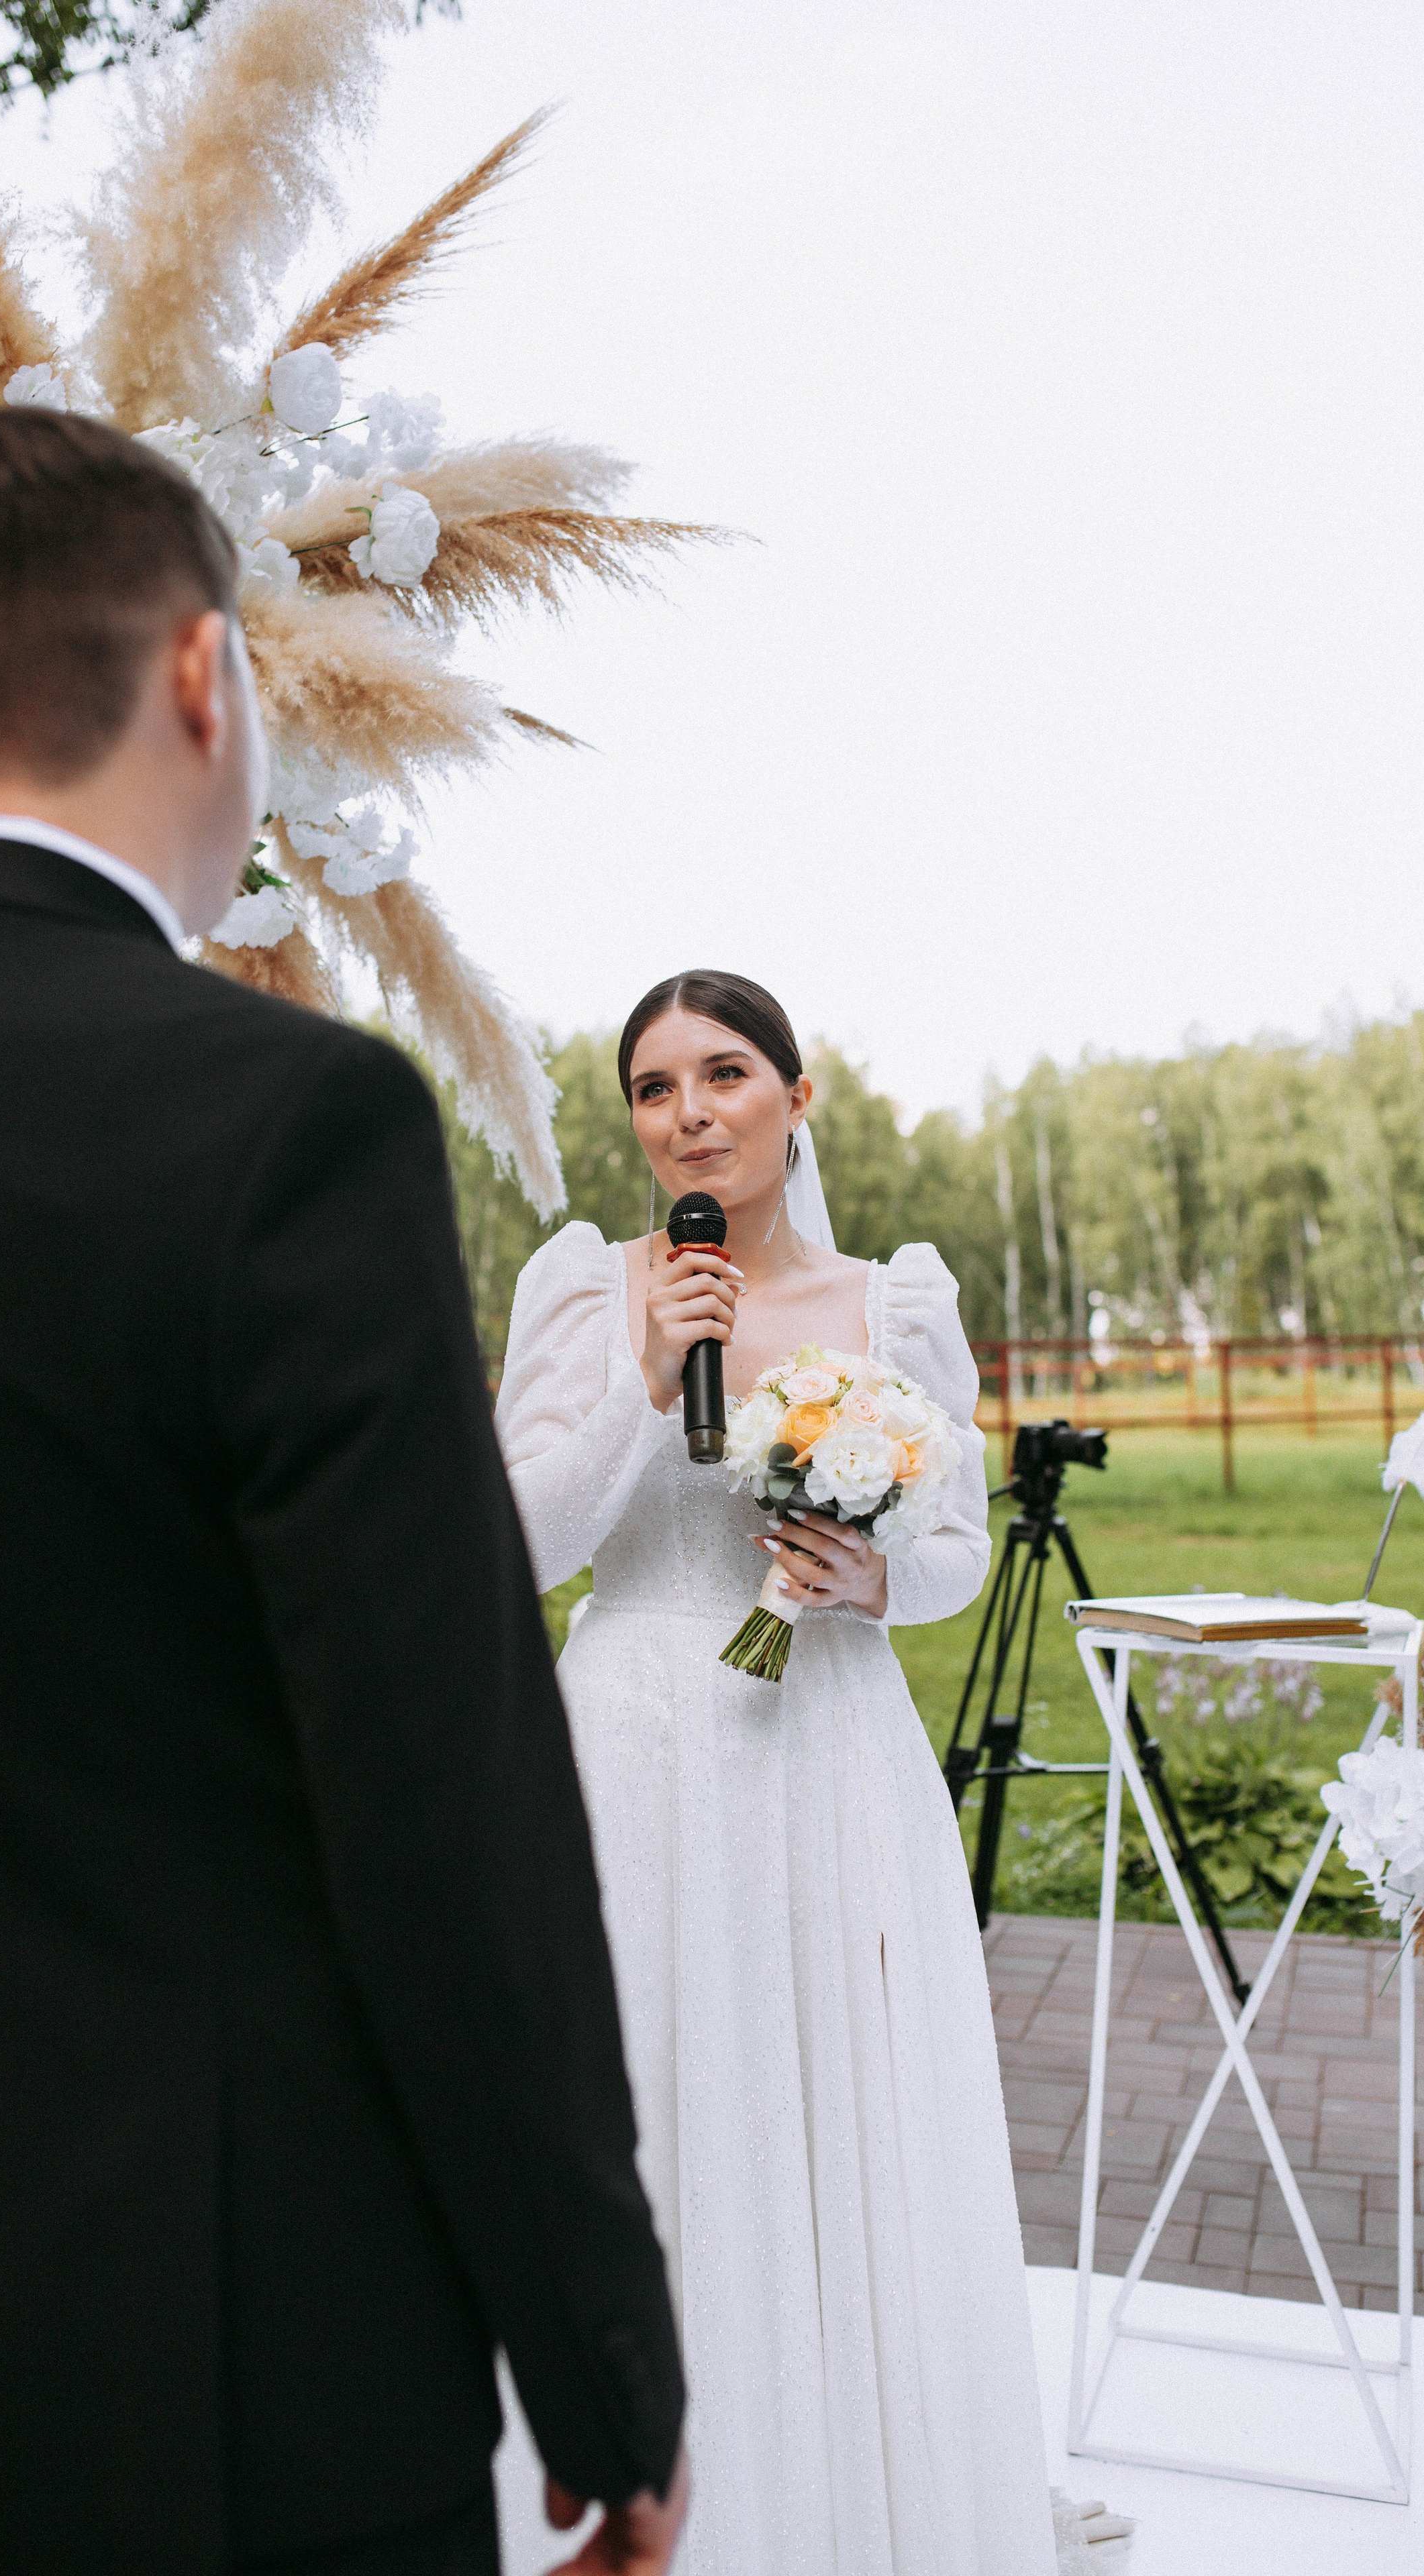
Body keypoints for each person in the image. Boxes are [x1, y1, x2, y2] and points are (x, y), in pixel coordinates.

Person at [0, 407, 686, 2576]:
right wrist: (599, 2365)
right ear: (208, 679)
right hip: (213, 2379)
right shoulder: (288, 1128)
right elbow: (440, 1800)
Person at [492, 972, 1078, 2576]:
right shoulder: (590, 1287)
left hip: (826, 1750)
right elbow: (518, 1543)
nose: (687, 1112)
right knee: (645, 2106)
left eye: (724, 1073)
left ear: (795, 1097)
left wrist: (868, 1582)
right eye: (654, 1086)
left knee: (835, 2107)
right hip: (629, 1745)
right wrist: (639, 1371)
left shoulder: (890, 1307)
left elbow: (953, 1545)